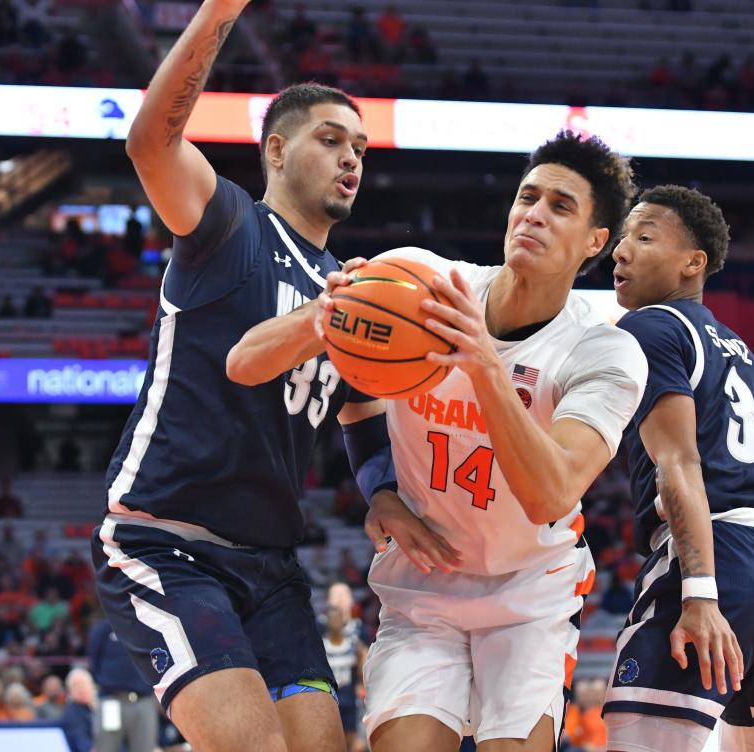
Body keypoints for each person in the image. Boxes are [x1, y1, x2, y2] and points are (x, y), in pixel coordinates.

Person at [229, 131, 648, 750]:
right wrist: (380, 486)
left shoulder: (605, 351)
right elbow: (309, 378)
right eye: (527, 197)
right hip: (423, 588)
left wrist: (483, 366)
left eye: (561, 206)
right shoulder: (422, 285)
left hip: (528, 595)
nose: (534, 213)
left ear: (596, 241)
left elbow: (551, 493)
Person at [91, 1, 374, 750]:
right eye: (331, 139)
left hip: (272, 570)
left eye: (361, 148)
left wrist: (388, 501)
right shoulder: (229, 225)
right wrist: (220, 10)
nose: (351, 158)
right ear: (275, 151)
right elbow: (151, 139)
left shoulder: (354, 291)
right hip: (166, 542)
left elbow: (362, 420)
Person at [603, 185, 754, 752]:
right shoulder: (739, 351)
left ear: (693, 263)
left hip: (713, 562)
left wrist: (706, 594)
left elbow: (678, 463)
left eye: (644, 236)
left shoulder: (650, 328)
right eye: (623, 236)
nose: (619, 250)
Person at [87, 615, 158, 752]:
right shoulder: (104, 628)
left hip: (143, 700)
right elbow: (94, 661)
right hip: (111, 700)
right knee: (106, 748)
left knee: (145, 749)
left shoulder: (147, 627)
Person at [323, 606, 368, 752]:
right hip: (330, 697)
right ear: (327, 622)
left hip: (349, 696)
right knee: (332, 740)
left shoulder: (352, 643)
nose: (335, 622)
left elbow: (363, 656)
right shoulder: (322, 645)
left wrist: (362, 683)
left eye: (338, 619)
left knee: (355, 743)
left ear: (343, 620)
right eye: (332, 619)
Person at [59, 668, 95, 752]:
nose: (81, 689)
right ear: (70, 691)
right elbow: (82, 742)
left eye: (84, 684)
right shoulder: (71, 713)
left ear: (92, 686)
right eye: (76, 686)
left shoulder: (101, 706)